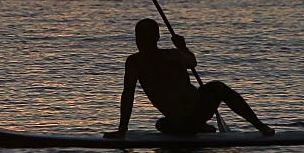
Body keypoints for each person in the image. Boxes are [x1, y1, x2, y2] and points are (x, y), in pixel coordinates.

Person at [104, 18, 274, 138]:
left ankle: (200, 128)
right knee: (218, 87)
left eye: (139, 36)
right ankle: (261, 127)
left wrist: (122, 130)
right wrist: (183, 47)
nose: (138, 40)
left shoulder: (134, 62)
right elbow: (192, 61)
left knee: (162, 124)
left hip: (178, 124)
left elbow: (128, 96)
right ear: (157, 38)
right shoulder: (175, 55)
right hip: (190, 118)